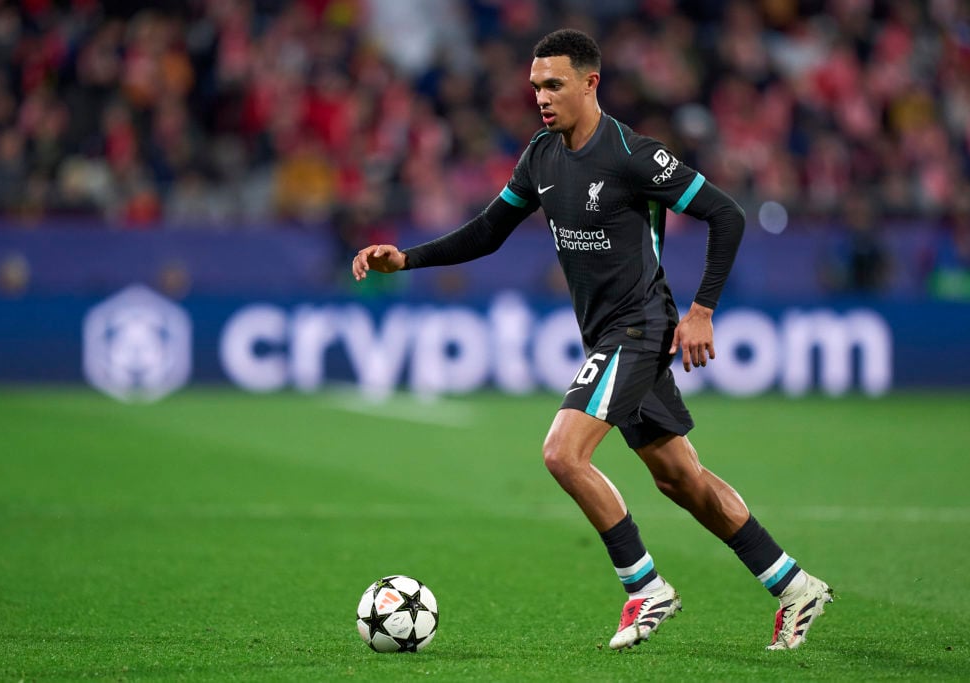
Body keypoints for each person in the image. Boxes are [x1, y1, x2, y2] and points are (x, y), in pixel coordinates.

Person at [352, 28, 832, 651]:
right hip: (606, 333)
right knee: (679, 479)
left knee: (562, 452)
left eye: (554, 85)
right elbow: (489, 231)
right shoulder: (541, 156)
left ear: (590, 82)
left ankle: (645, 589)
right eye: (535, 87)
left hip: (639, 326)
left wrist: (703, 309)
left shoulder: (633, 154)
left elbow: (727, 214)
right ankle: (794, 585)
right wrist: (406, 260)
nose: (542, 98)